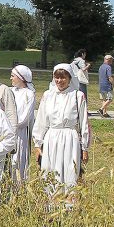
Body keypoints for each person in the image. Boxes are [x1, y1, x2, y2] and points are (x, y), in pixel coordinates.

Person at [32, 64, 90, 205]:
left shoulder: (77, 96)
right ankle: (51, 205)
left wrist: (85, 147)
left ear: (69, 78)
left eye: (63, 77)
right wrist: (37, 144)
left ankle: (70, 206)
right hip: (52, 137)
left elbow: (84, 122)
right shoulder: (48, 95)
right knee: (50, 170)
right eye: (56, 77)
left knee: (70, 170)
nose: (59, 80)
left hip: (70, 138)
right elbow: (41, 119)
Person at [9, 65, 35, 180]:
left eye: (13, 76)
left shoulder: (28, 94)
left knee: (19, 160)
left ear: (21, 78)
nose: (11, 78)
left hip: (21, 133)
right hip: (7, 132)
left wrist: (14, 125)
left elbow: (26, 117)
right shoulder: (10, 91)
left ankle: (20, 186)